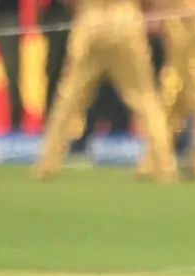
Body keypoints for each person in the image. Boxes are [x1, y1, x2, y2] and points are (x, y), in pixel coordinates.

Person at [34, 0, 177, 182]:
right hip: (126, 23)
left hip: (90, 23)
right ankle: (164, 164)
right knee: (145, 98)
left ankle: (47, 162)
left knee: (68, 98)